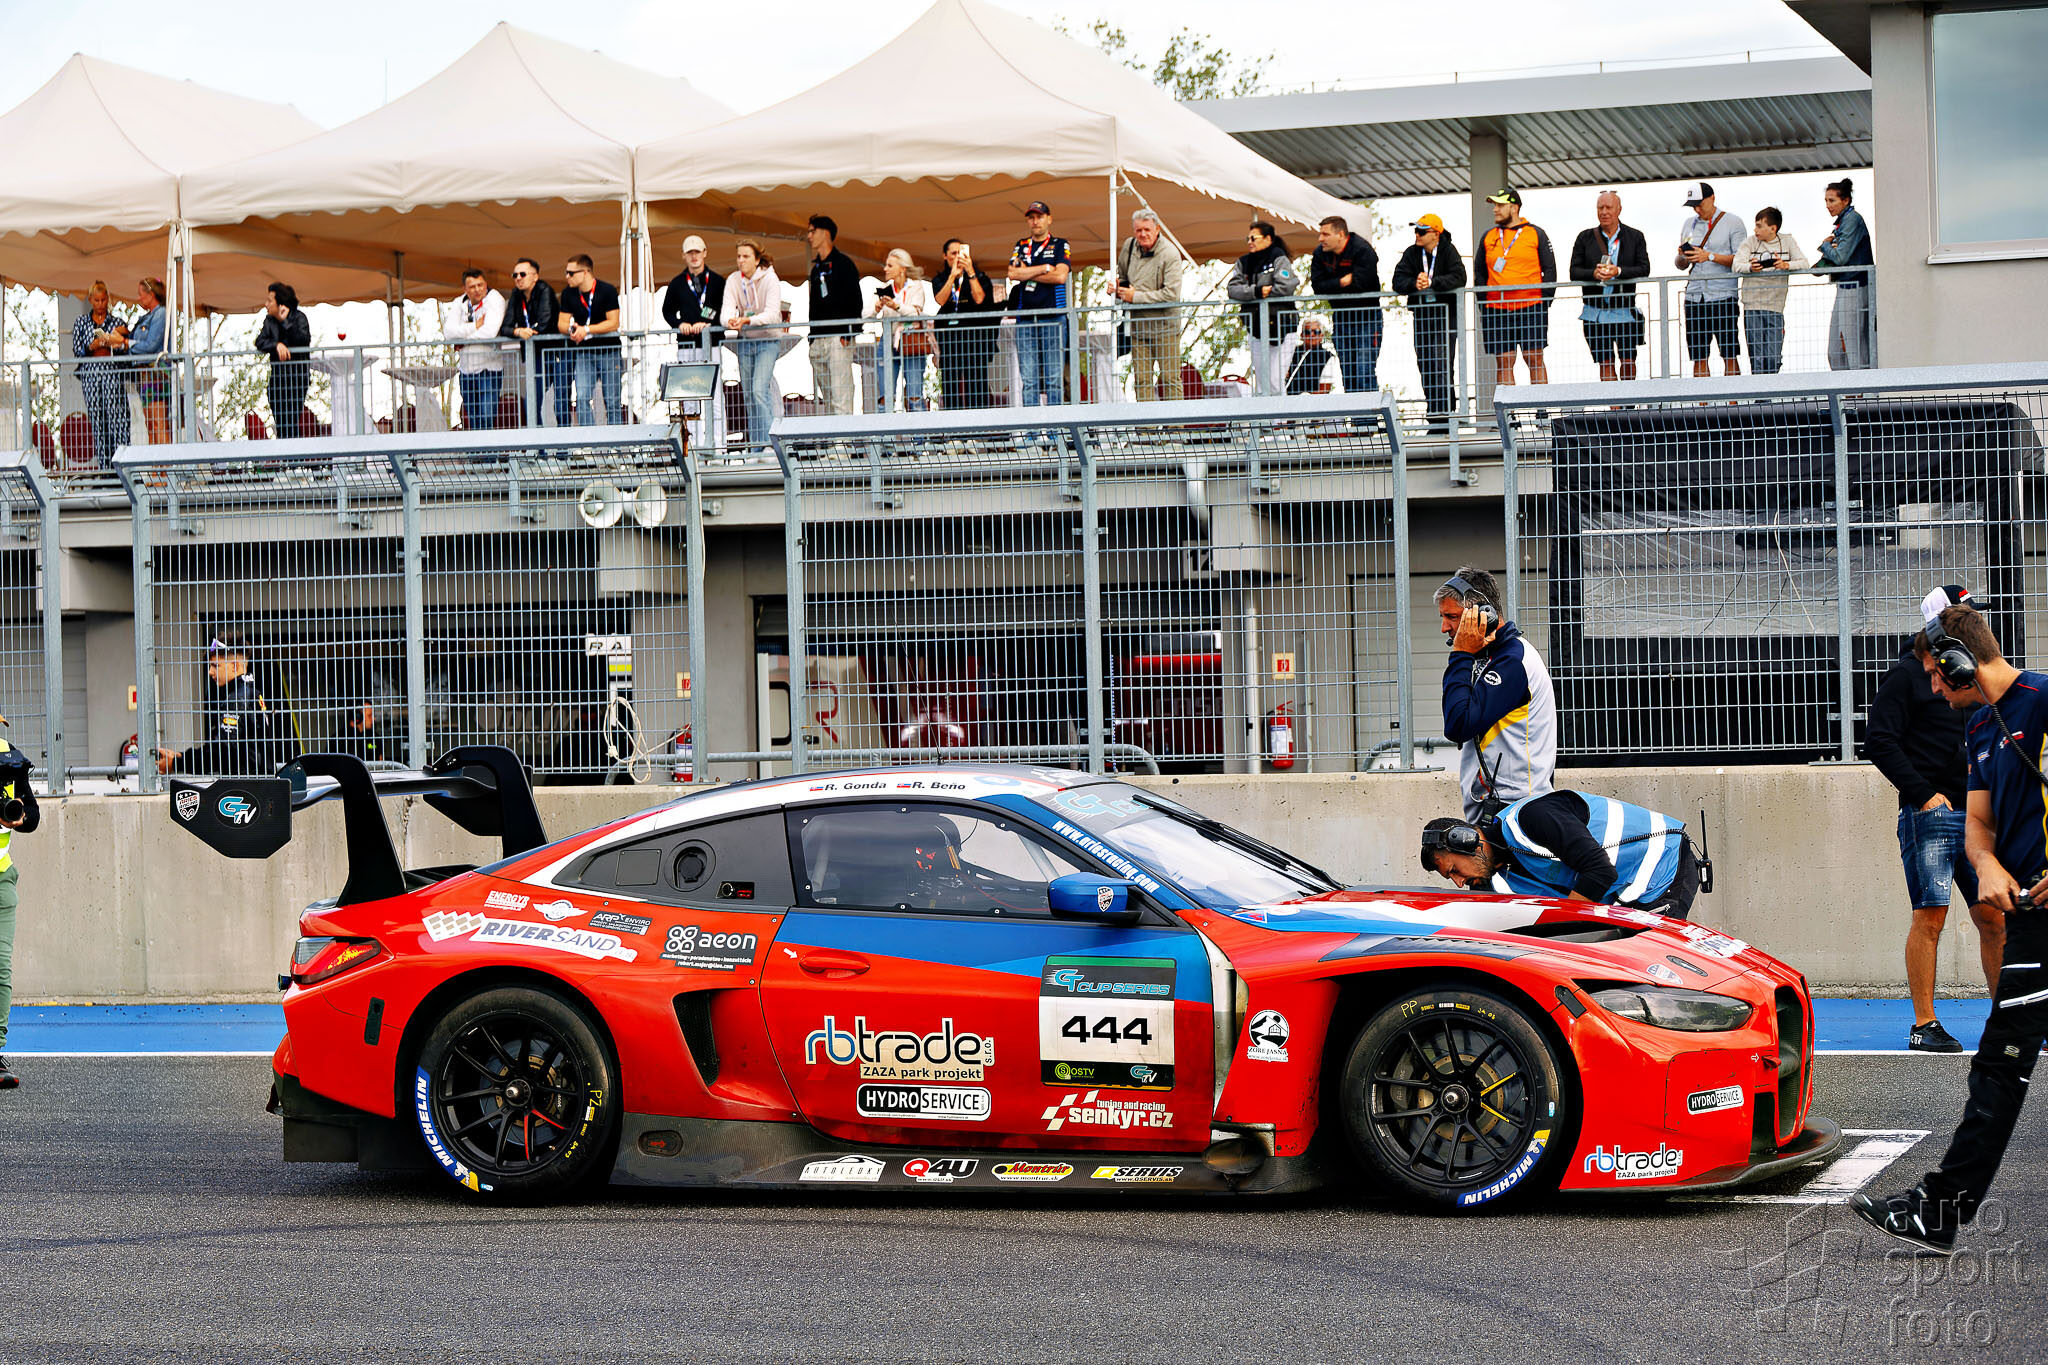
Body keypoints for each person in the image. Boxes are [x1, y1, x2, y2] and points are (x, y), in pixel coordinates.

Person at [1852, 605, 2048, 1254]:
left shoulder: (2043, 700)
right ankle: (1939, 1210)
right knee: (1999, 1066)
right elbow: (1979, 825)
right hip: (2033, 920)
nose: (1933, 688)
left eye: (1939, 675)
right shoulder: (1981, 728)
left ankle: (1938, 1208)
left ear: (1963, 663)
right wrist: (1986, 864)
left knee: (2000, 1065)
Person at [1866, 585, 2000, 1052]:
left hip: (1977, 813)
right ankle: (1925, 1024)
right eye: (1963, 615)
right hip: (1933, 815)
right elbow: (1878, 740)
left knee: (1993, 917)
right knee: (1931, 916)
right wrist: (1924, 796)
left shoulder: (1975, 674)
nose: (1973, 622)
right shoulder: (1908, 675)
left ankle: (2009, 1018)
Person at [1420, 789, 1701, 919]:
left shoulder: (1533, 817)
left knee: (1656, 970)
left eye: (1454, 870)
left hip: (1662, 864)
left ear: (1466, 841)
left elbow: (1600, 871)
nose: (1459, 882)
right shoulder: (1501, 877)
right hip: (1626, 890)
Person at [1435, 566, 1555, 822]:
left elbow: (1458, 724)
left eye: (1451, 616)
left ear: (1483, 614)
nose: (1444, 627)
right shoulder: (1488, 657)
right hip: (1498, 807)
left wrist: (1460, 655)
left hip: (1518, 811)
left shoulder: (1512, 661)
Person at [155, 630, 292, 777]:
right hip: (260, 781)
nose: (210, 672)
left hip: (246, 785)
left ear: (234, 666)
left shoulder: (236, 700)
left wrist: (176, 763)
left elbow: (221, 754)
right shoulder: (253, 693)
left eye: (215, 666)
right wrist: (183, 757)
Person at [1474, 189, 1554, 390]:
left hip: (1531, 306)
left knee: (1534, 357)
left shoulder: (1535, 233)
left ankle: (1541, 407)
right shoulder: (1488, 236)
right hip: (1497, 308)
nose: (1495, 210)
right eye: (1495, 205)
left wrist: (1545, 301)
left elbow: (1550, 269)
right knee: (1504, 360)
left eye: (1500, 205)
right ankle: (1509, 409)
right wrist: (1484, 302)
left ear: (1514, 208)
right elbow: (1479, 272)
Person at [1390, 215, 1464, 434]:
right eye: (1416, 231)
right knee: (1426, 365)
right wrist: (1415, 283)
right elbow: (1397, 281)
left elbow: (1460, 277)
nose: (1417, 235)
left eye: (1422, 231)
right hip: (1422, 316)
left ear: (1435, 233)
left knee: (1442, 365)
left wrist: (1433, 282)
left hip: (1445, 316)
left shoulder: (1449, 251)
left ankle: (1446, 417)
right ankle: (1434, 418)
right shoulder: (1411, 253)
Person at [1569, 192, 1650, 383]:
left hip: (1625, 312)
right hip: (1595, 313)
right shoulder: (1584, 237)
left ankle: (1629, 400)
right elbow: (1574, 271)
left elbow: (1644, 268)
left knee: (1628, 361)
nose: (1604, 212)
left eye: (1608, 207)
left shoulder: (1635, 236)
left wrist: (1618, 271)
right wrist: (1593, 274)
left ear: (1619, 210)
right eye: (1600, 208)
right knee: (1605, 363)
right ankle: (1612, 402)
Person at [0, 732, 40, 1090]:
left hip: (2, 880)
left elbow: (33, 816)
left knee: (0, 968)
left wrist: (19, 820)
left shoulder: (10, 760)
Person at [1114, 209, 1184, 402]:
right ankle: (1146, 422)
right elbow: (1123, 277)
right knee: (1141, 380)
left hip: (1165, 328)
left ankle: (1176, 421)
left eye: (1147, 229)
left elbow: (1171, 294)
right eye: (1138, 230)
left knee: (1170, 379)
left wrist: (1135, 297)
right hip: (1138, 327)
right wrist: (1118, 289)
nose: (1143, 234)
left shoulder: (1170, 253)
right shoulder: (1129, 247)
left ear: (1157, 229)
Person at [1007, 201, 1072, 407]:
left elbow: (1060, 276)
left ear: (1049, 219)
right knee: (1029, 380)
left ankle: (1056, 425)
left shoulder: (1060, 244)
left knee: (1054, 379)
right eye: (1031, 218)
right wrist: (1044, 268)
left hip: (1053, 316)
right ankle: (1031, 427)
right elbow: (1012, 274)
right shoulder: (1021, 245)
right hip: (1025, 318)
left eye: (1040, 217)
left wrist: (1027, 272)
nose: (1035, 221)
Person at [1309, 215, 1383, 393]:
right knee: (1348, 373)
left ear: (1341, 234)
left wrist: (1332, 286)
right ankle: (1356, 412)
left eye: (1325, 234)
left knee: (1364, 370)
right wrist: (1342, 282)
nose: (1320, 239)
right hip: (1341, 317)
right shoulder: (1320, 253)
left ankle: (1370, 412)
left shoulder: (1362, 250)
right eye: (1321, 234)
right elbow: (1318, 287)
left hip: (1367, 317)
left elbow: (1363, 284)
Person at [1731, 208, 1810, 377]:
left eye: (1760, 226)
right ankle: (1760, 391)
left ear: (1773, 228)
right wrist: (1751, 267)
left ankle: (1772, 387)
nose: (1755, 230)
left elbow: (1804, 263)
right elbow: (1736, 265)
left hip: (1776, 306)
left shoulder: (1787, 241)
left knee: (1773, 357)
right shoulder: (1750, 242)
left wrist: (1786, 265)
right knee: (1757, 356)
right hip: (1752, 306)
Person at [1675, 183, 1743, 378]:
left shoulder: (1733, 222)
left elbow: (1740, 260)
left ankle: (1734, 396)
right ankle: (1700, 397)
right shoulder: (1688, 224)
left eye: (1700, 204)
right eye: (1693, 206)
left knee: (1729, 353)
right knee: (1698, 356)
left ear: (1712, 198)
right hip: (1695, 296)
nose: (1697, 209)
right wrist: (1683, 256)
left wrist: (1710, 256)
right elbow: (1680, 265)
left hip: (1723, 295)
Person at [1227, 221, 1300, 396]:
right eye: (1247, 239)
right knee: (1261, 382)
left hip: (1283, 327)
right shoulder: (1243, 262)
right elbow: (1233, 289)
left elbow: (1286, 285)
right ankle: (1267, 414)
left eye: (1254, 238)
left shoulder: (1278, 257)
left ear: (1268, 239)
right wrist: (1257, 292)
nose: (1249, 242)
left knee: (1275, 379)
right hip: (1256, 329)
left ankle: (1281, 414)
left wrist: (1265, 293)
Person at [721, 241, 782, 445]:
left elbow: (772, 314)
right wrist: (731, 321)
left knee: (759, 390)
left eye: (746, 256)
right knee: (749, 395)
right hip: (745, 341)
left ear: (757, 260)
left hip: (768, 340)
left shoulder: (770, 278)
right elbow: (725, 312)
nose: (741, 261)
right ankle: (756, 447)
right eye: (738, 256)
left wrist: (748, 321)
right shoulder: (733, 280)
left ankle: (771, 444)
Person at [803, 215, 861, 415]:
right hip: (819, 338)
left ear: (825, 233)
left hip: (838, 338)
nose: (809, 236)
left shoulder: (844, 264)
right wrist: (812, 337)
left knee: (840, 394)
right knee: (827, 397)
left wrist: (848, 334)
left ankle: (844, 434)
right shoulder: (816, 269)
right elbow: (813, 305)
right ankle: (833, 434)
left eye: (812, 231)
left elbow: (856, 301)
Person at [556, 255, 623, 426]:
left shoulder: (607, 290)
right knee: (582, 397)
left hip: (609, 351)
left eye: (571, 273)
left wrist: (586, 329)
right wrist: (572, 330)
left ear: (585, 272)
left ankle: (616, 439)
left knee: (612, 399)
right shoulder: (568, 293)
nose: (567, 277)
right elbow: (561, 323)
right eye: (566, 272)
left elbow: (613, 323)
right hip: (584, 352)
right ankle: (588, 437)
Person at [71, 280, 132, 465]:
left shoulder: (117, 322)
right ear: (90, 300)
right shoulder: (81, 322)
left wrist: (113, 340)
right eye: (96, 300)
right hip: (91, 377)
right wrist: (93, 346)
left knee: (118, 418)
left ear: (108, 299)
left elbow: (125, 349)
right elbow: (77, 351)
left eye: (103, 300)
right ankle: (104, 467)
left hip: (112, 375)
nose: (100, 304)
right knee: (97, 420)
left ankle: (123, 465)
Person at [1816, 177, 1873, 370]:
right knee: (1835, 351)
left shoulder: (1852, 220)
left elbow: (1840, 257)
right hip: (1844, 286)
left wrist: (1825, 245)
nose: (1828, 205)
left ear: (1845, 200)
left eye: (1832, 200)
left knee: (1854, 344)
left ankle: (1864, 386)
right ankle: (1843, 386)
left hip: (1855, 286)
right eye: (1826, 201)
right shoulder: (1844, 222)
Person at [866, 248, 933, 411]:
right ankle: (885, 428)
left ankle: (919, 428)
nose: (885, 269)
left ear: (902, 268)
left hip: (911, 340)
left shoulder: (916, 286)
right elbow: (865, 314)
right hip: (888, 340)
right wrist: (876, 307)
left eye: (890, 265)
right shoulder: (883, 288)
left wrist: (895, 306)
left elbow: (916, 313)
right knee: (885, 397)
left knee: (914, 395)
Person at [933, 238, 996, 412]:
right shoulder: (940, 278)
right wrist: (953, 276)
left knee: (976, 384)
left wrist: (970, 272)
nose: (957, 257)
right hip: (949, 340)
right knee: (950, 385)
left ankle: (979, 424)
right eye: (953, 253)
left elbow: (980, 298)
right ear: (945, 256)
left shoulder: (980, 276)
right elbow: (940, 300)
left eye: (961, 253)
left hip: (974, 340)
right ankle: (954, 425)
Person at [441, 268, 507, 430]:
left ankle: (489, 447)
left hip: (489, 369)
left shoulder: (494, 298)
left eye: (480, 285)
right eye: (472, 286)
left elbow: (490, 332)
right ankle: (477, 447)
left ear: (486, 284)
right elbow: (448, 333)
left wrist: (463, 340)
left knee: (487, 416)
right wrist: (474, 326)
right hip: (466, 369)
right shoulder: (459, 302)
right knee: (472, 417)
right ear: (464, 289)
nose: (477, 289)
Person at [498, 258, 561, 427]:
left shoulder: (545, 290)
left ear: (535, 276)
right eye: (515, 275)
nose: (518, 278)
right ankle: (537, 441)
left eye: (522, 274)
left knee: (560, 401)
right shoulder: (516, 294)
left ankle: (565, 443)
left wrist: (527, 331)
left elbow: (544, 323)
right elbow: (505, 327)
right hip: (534, 356)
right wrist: (518, 331)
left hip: (556, 354)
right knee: (531, 400)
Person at [255, 282, 312, 440]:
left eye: (270, 301)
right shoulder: (269, 321)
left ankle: (293, 453)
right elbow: (260, 342)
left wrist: (285, 321)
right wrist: (276, 345)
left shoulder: (299, 318)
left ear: (280, 303)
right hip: (278, 380)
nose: (266, 304)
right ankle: (285, 451)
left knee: (291, 422)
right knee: (281, 424)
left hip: (297, 379)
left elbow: (303, 339)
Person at [128, 277, 172, 445]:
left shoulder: (161, 314)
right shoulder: (147, 317)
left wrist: (127, 343)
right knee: (151, 424)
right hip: (146, 374)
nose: (139, 298)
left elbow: (151, 345)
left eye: (141, 294)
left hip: (157, 373)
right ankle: (155, 461)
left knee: (159, 423)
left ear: (151, 294)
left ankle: (166, 461)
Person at [1285, 317, 1333, 395]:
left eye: (1316, 332)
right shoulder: (1292, 351)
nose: (1311, 335)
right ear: (1301, 335)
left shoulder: (1327, 357)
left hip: (1312, 399)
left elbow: (1324, 388)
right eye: (1307, 332)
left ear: (1321, 336)